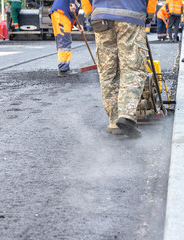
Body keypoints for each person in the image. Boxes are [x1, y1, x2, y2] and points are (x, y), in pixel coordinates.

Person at [81, 0, 157, 138]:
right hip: (131, 14)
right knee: (132, 67)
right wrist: (149, 14)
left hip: (101, 17)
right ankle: (126, 115)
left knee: (108, 71)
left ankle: (114, 122)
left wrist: (90, 14)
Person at [49, 0, 83, 77]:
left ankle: (64, 67)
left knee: (64, 40)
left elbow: (73, 12)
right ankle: (63, 69)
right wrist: (71, 2)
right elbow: (72, 7)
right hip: (61, 13)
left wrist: (77, 24)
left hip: (61, 13)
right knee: (64, 42)